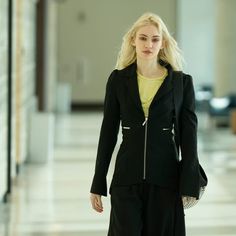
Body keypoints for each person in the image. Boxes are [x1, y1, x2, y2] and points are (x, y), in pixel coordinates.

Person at [90, 12, 202, 236]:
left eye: (155, 39)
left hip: (165, 179)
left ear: (162, 44)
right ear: (132, 40)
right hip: (126, 178)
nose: (148, 44)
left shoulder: (180, 83)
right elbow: (108, 132)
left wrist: (189, 182)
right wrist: (98, 181)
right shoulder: (118, 80)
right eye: (143, 38)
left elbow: (189, 135)